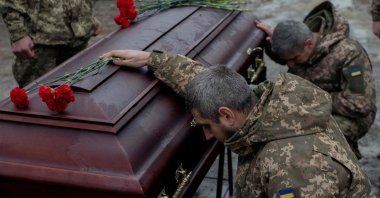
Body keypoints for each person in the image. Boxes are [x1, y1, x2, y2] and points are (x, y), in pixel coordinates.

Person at [99, 49, 375, 197]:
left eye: (207, 125)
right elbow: (210, 83)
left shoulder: (293, 169)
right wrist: (152, 59)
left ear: (227, 114)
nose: (206, 136)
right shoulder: (266, 102)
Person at [255, 1, 376, 159]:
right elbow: (290, 57)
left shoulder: (351, 55)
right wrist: (273, 41)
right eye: (286, 60)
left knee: (319, 141)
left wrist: (311, 98)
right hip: (313, 104)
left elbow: (360, 104)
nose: (290, 65)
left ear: (309, 43)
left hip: (350, 116)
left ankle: (343, 168)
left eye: (294, 58)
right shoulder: (300, 42)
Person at [0, 0, 102, 87]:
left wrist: (87, 14)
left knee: (79, 94)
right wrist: (18, 33)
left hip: (78, 38)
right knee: (38, 100)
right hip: (41, 42)